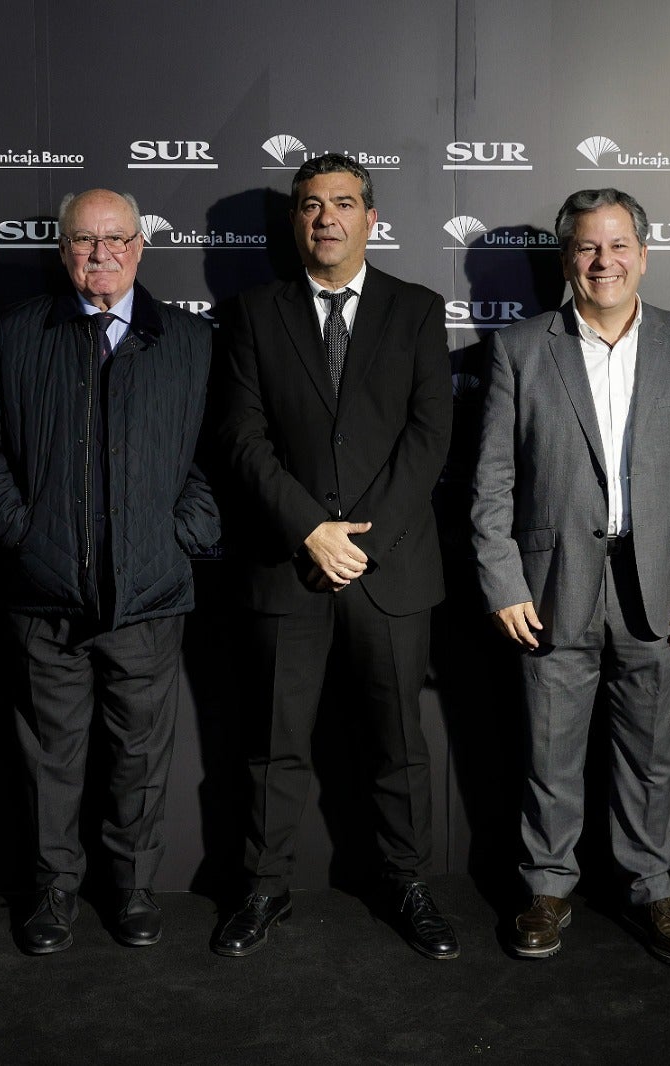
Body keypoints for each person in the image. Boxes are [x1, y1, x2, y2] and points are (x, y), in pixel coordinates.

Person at [0, 189, 217, 952]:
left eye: (114, 240)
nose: (99, 254)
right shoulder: (17, 335)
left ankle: (131, 890)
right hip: (45, 598)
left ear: (141, 247)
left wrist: (180, 536)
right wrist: (24, 534)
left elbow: (216, 453)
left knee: (140, 758)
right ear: (62, 249)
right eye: (82, 241)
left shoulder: (189, 341)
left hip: (148, 596)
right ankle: (52, 894)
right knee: (50, 761)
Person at [212, 154, 455, 958]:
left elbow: (429, 440)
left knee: (399, 745)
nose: (326, 219)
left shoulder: (418, 310)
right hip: (288, 565)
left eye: (343, 204)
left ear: (370, 218)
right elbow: (240, 440)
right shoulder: (252, 312)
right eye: (311, 205)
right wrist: (309, 529)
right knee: (274, 745)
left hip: (391, 569)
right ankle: (263, 888)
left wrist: (361, 540)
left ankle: (409, 883)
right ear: (295, 221)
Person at [470, 189, 670, 964]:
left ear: (644, 255)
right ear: (566, 258)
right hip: (550, 584)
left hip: (661, 582)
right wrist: (503, 580)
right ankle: (548, 887)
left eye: (617, 247)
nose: (602, 262)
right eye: (586, 248)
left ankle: (652, 889)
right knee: (551, 749)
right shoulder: (520, 347)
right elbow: (492, 484)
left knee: (651, 753)